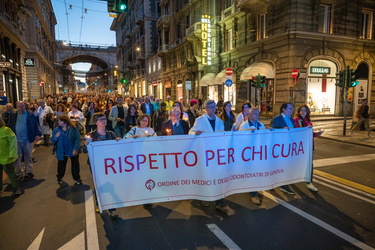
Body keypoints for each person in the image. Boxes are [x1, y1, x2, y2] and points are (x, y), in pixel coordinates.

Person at [188, 100, 229, 213]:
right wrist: (194, 134)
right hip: (205, 152)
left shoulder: (220, 121)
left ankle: (220, 202)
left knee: (218, 177)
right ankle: (204, 197)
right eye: (210, 107)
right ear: (205, 108)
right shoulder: (200, 120)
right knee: (205, 176)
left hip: (216, 154)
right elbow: (191, 132)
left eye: (214, 107)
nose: (212, 109)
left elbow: (223, 134)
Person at [85, 112, 119, 219]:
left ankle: (112, 209)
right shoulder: (91, 135)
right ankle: (99, 203)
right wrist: (87, 144)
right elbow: (86, 150)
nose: (103, 121)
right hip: (96, 164)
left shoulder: (111, 134)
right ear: (96, 122)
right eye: (100, 119)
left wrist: (118, 141)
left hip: (109, 164)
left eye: (104, 119)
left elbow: (117, 148)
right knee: (99, 184)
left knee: (111, 184)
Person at [7, 101, 41, 179]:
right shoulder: (13, 115)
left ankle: (28, 171)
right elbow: (9, 126)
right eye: (19, 106)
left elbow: (35, 125)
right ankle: (18, 172)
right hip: (16, 139)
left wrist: (37, 134)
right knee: (17, 156)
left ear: (25, 106)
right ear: (16, 107)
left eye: (22, 106)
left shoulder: (30, 115)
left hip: (28, 139)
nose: (21, 108)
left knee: (28, 156)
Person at [294, 105, 324, 192]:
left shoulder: (308, 121)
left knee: (310, 165)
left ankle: (309, 182)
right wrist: (305, 129)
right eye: (301, 110)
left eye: (305, 110)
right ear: (299, 112)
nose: (303, 112)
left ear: (307, 112)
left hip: (309, 146)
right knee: (295, 163)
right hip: (299, 147)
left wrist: (319, 133)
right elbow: (296, 132)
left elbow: (311, 134)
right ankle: (289, 178)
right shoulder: (296, 120)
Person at [239, 107, 265, 205]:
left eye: (258, 113)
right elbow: (240, 140)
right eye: (254, 113)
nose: (257, 115)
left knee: (256, 172)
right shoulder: (244, 126)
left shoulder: (261, 125)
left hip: (258, 152)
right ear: (249, 115)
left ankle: (253, 188)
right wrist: (249, 134)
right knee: (251, 172)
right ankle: (253, 193)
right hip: (249, 153)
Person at [270, 102, 296, 195]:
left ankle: (283, 183)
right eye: (290, 108)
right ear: (283, 109)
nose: (292, 110)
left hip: (289, 146)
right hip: (279, 147)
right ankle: (281, 185)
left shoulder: (292, 119)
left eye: (292, 108)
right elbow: (271, 131)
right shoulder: (276, 119)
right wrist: (282, 129)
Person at [51, 115, 82, 185]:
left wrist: (75, 149)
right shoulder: (56, 130)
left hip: (72, 149)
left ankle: (77, 178)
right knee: (61, 165)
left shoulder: (73, 128)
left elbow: (77, 138)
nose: (58, 122)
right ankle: (59, 177)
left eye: (59, 121)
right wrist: (56, 137)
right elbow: (52, 140)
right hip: (62, 150)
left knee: (75, 165)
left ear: (64, 122)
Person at [0, 117, 23, 197]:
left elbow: (13, 142)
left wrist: (12, 154)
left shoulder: (6, 130)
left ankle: (16, 188)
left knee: (10, 173)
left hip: (6, 157)